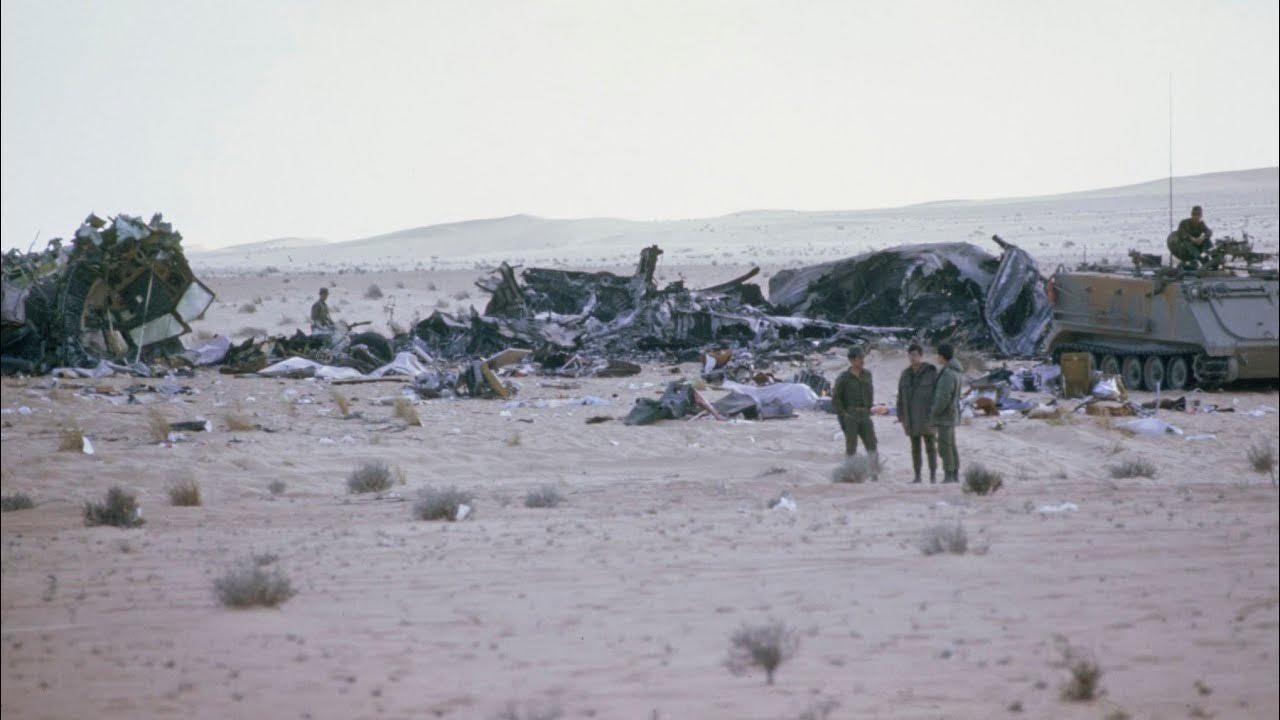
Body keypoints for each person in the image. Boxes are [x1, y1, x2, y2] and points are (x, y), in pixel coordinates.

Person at [832, 345, 878, 478]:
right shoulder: (844, 378)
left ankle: (874, 474)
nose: (862, 360)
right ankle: (849, 474)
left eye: (863, 357)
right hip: (851, 415)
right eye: (859, 358)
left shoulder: (867, 375)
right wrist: (844, 416)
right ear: (851, 360)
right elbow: (836, 399)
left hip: (865, 414)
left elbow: (870, 393)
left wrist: (869, 409)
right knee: (851, 446)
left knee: (872, 444)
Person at [897, 343, 938, 484]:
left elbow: (938, 395)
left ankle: (933, 476)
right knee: (915, 448)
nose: (912, 358)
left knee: (930, 447)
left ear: (921, 355)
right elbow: (900, 396)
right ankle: (917, 476)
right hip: (911, 417)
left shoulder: (931, 372)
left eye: (915, 355)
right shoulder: (905, 374)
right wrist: (900, 414)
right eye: (910, 355)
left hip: (927, 416)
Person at [929, 343, 963, 484]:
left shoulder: (948, 373)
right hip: (951, 414)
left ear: (942, 356)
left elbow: (943, 397)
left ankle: (949, 475)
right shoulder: (955, 371)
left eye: (938, 355)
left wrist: (934, 412)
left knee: (944, 446)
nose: (937, 358)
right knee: (951, 445)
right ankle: (953, 474)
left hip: (945, 416)